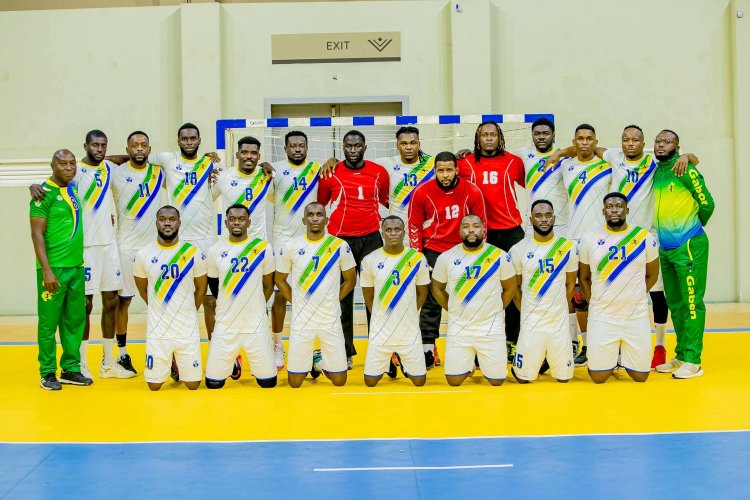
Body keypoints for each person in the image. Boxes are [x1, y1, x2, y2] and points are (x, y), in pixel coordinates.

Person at [548, 124, 696, 368]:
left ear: (643, 143)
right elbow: (585, 148)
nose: (630, 143)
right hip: (617, 237)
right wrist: (560, 153)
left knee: (657, 293)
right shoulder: (613, 157)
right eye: (626, 139)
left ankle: (660, 345)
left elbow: (690, 160)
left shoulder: (653, 163)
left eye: (635, 140)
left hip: (646, 235)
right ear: (621, 141)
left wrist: (686, 156)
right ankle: (605, 345)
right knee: (612, 291)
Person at [30, 130, 124, 378]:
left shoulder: (105, 170)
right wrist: (34, 185)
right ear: (85, 146)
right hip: (77, 255)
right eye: (94, 145)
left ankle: (99, 363)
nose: (99, 149)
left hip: (97, 252)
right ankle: (64, 368)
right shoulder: (69, 178)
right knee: (67, 315)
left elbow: (122, 158)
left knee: (100, 306)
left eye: (103, 145)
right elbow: (37, 231)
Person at [317, 130, 389, 369]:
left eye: (357, 146)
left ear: (365, 147)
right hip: (340, 240)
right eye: (348, 146)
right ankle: (344, 351)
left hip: (371, 238)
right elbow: (322, 202)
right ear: (343, 147)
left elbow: (384, 199)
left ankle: (378, 349)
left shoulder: (379, 172)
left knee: (375, 297)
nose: (353, 150)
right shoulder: (330, 172)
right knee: (342, 297)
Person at [408, 151, 486, 368]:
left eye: (449, 170)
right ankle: (427, 348)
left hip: (464, 250)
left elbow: (482, 224)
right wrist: (418, 257)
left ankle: (475, 349)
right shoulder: (421, 192)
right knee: (431, 300)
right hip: (434, 250)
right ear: (434, 171)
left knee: (469, 297)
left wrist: (478, 254)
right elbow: (414, 226)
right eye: (440, 170)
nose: (445, 175)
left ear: (456, 170)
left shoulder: (472, 191)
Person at [457, 121, 526, 362]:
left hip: (511, 231)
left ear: (500, 137)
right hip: (481, 234)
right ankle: (481, 341)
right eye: (484, 135)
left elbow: (533, 184)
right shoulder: (464, 163)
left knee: (515, 288)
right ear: (477, 138)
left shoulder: (514, 162)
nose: (488, 138)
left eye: (492, 134)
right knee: (481, 288)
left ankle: (513, 340)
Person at [546, 124, 613, 367]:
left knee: (602, 292)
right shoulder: (566, 166)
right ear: (574, 141)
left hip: (601, 239)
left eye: (589, 138)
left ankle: (604, 342)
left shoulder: (608, 165)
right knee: (575, 294)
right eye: (580, 139)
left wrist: (561, 151)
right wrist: (561, 153)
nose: (585, 142)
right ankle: (578, 343)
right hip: (573, 238)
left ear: (596, 141)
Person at [148, 123, 223, 340]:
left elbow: (219, 188)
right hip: (177, 241)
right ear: (178, 140)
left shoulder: (211, 163)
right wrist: (107, 160)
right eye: (184, 139)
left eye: (193, 138)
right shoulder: (167, 159)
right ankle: (177, 345)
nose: (189, 142)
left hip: (206, 239)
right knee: (176, 297)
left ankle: (214, 347)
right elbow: (136, 157)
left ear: (199, 140)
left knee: (210, 299)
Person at [578, 193, 660, 383]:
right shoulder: (589, 238)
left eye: (619, 206)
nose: (614, 210)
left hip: (635, 316)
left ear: (627, 210)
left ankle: (619, 354)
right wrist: (595, 302)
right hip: (602, 316)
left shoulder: (644, 237)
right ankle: (611, 355)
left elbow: (652, 275)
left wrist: (635, 295)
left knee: (640, 377)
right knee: (599, 377)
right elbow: (584, 278)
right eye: (609, 206)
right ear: (603, 211)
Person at [652, 130, 715, 379]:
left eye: (667, 142)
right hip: (666, 248)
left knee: (691, 303)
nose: (661, 145)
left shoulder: (686, 169)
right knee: (676, 304)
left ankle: (693, 360)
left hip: (688, 246)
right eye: (658, 141)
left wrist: (692, 228)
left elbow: (707, 203)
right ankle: (680, 355)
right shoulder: (658, 170)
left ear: (677, 147)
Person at [275, 202, 357, 388]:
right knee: (295, 383)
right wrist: (296, 302)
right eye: (310, 215)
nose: (314, 218)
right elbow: (280, 279)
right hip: (302, 320)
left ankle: (319, 360)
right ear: (304, 220)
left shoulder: (339, 245)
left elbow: (351, 280)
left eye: (319, 214)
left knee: (339, 381)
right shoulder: (291, 246)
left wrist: (333, 299)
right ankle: (314, 361)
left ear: (326, 219)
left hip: (330, 319)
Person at [30, 150, 92, 390]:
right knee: (48, 323)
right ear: (52, 165)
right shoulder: (42, 195)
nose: (68, 168)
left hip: (76, 268)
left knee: (74, 320)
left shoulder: (73, 188)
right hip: (53, 270)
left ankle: (70, 368)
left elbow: (101, 160)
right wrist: (46, 270)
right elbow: (36, 234)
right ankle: (47, 372)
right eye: (62, 163)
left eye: (72, 163)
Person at [431, 215, 517, 386]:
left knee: (497, 381)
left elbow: (511, 287)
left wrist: (496, 309)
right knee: (454, 381)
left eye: (476, 226)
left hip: (490, 327)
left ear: (483, 229)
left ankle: (482, 362)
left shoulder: (499, 256)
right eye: (466, 226)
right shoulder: (446, 258)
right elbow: (437, 288)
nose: (471, 230)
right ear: (459, 231)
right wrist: (453, 308)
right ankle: (468, 364)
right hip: (460, 328)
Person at [133, 205, 207, 391]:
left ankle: (177, 361)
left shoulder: (192, 252)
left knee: (193, 385)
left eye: (172, 219)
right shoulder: (143, 255)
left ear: (179, 223)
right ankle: (172, 361)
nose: (167, 223)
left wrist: (189, 311)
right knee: (154, 386)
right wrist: (158, 307)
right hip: (158, 330)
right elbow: (143, 290)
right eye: (163, 219)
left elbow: (201, 289)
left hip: (186, 329)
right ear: (156, 223)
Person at [204, 204, 276, 389]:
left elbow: (268, 285)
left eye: (241, 219)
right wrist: (230, 305)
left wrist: (256, 304)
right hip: (226, 324)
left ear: (249, 222)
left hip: (256, 324)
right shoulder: (214, 251)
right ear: (226, 223)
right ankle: (233, 360)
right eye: (233, 219)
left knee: (268, 383)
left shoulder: (263, 248)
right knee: (213, 384)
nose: (237, 223)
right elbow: (214, 286)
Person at [111, 131, 164, 378]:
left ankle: (163, 348)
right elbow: (93, 162)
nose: (139, 149)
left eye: (144, 145)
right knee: (123, 301)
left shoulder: (159, 172)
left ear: (150, 149)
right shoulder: (116, 172)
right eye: (134, 145)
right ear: (127, 149)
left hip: (154, 250)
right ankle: (121, 353)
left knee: (159, 301)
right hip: (125, 248)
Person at [270, 131, 322, 370]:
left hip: (309, 239)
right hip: (282, 238)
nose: (297, 149)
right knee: (280, 293)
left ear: (307, 148)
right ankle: (277, 344)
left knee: (310, 293)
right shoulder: (275, 170)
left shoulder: (317, 169)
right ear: (285, 149)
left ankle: (311, 347)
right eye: (293, 145)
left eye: (302, 145)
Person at [509, 200, 577, 383]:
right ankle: (538, 357)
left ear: (554, 218)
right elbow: (516, 289)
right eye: (538, 216)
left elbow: (570, 284)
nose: (544, 219)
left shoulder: (568, 247)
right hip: (531, 323)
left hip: (558, 324)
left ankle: (547, 357)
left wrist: (558, 307)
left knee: (564, 379)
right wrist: (528, 311)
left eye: (548, 215)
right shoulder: (518, 250)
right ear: (530, 219)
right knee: (523, 378)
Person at [361, 216, 430, 387]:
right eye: (389, 230)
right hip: (380, 332)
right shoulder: (369, 260)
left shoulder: (417, 258)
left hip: (409, 331)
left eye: (397, 229)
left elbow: (422, 293)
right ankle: (388, 362)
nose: (393, 233)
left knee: (419, 382)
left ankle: (403, 362)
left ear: (404, 232)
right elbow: (368, 297)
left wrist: (408, 313)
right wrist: (380, 315)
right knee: (370, 382)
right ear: (382, 233)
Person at [213, 136, 273, 242]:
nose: (249, 156)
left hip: (257, 244)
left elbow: (277, 200)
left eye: (253, 153)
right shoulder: (223, 177)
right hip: (229, 245)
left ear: (259, 156)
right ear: (237, 155)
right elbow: (206, 200)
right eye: (244, 152)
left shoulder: (267, 176)